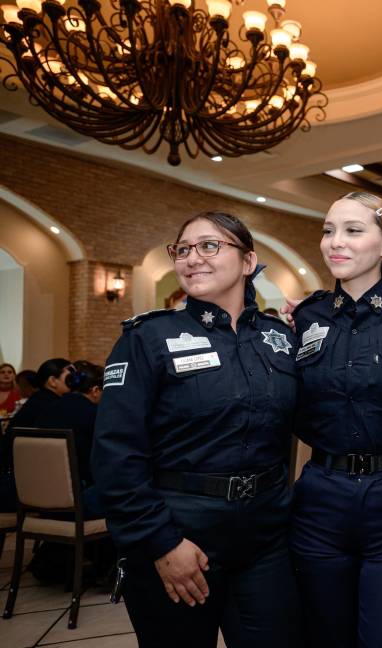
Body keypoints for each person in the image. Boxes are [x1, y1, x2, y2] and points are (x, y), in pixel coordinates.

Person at [92, 211, 301, 648]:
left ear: (248, 262)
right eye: (182, 250)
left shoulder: (278, 339)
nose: (191, 259)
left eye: (209, 246)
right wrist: (161, 542)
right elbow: (116, 453)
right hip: (179, 532)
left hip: (265, 537)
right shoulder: (148, 338)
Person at [289, 192, 382, 647]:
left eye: (352, 230)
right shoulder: (306, 316)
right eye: (328, 230)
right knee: (325, 635)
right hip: (321, 498)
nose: (334, 242)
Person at [1, 358, 73, 511]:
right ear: (53, 381)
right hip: (23, 489)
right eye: (70, 376)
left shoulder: (38, 400)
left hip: (21, 486)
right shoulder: (52, 407)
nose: (76, 381)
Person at [35, 361, 105, 517]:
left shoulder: (49, 408)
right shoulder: (94, 414)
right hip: (77, 501)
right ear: (95, 390)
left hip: (39, 496)